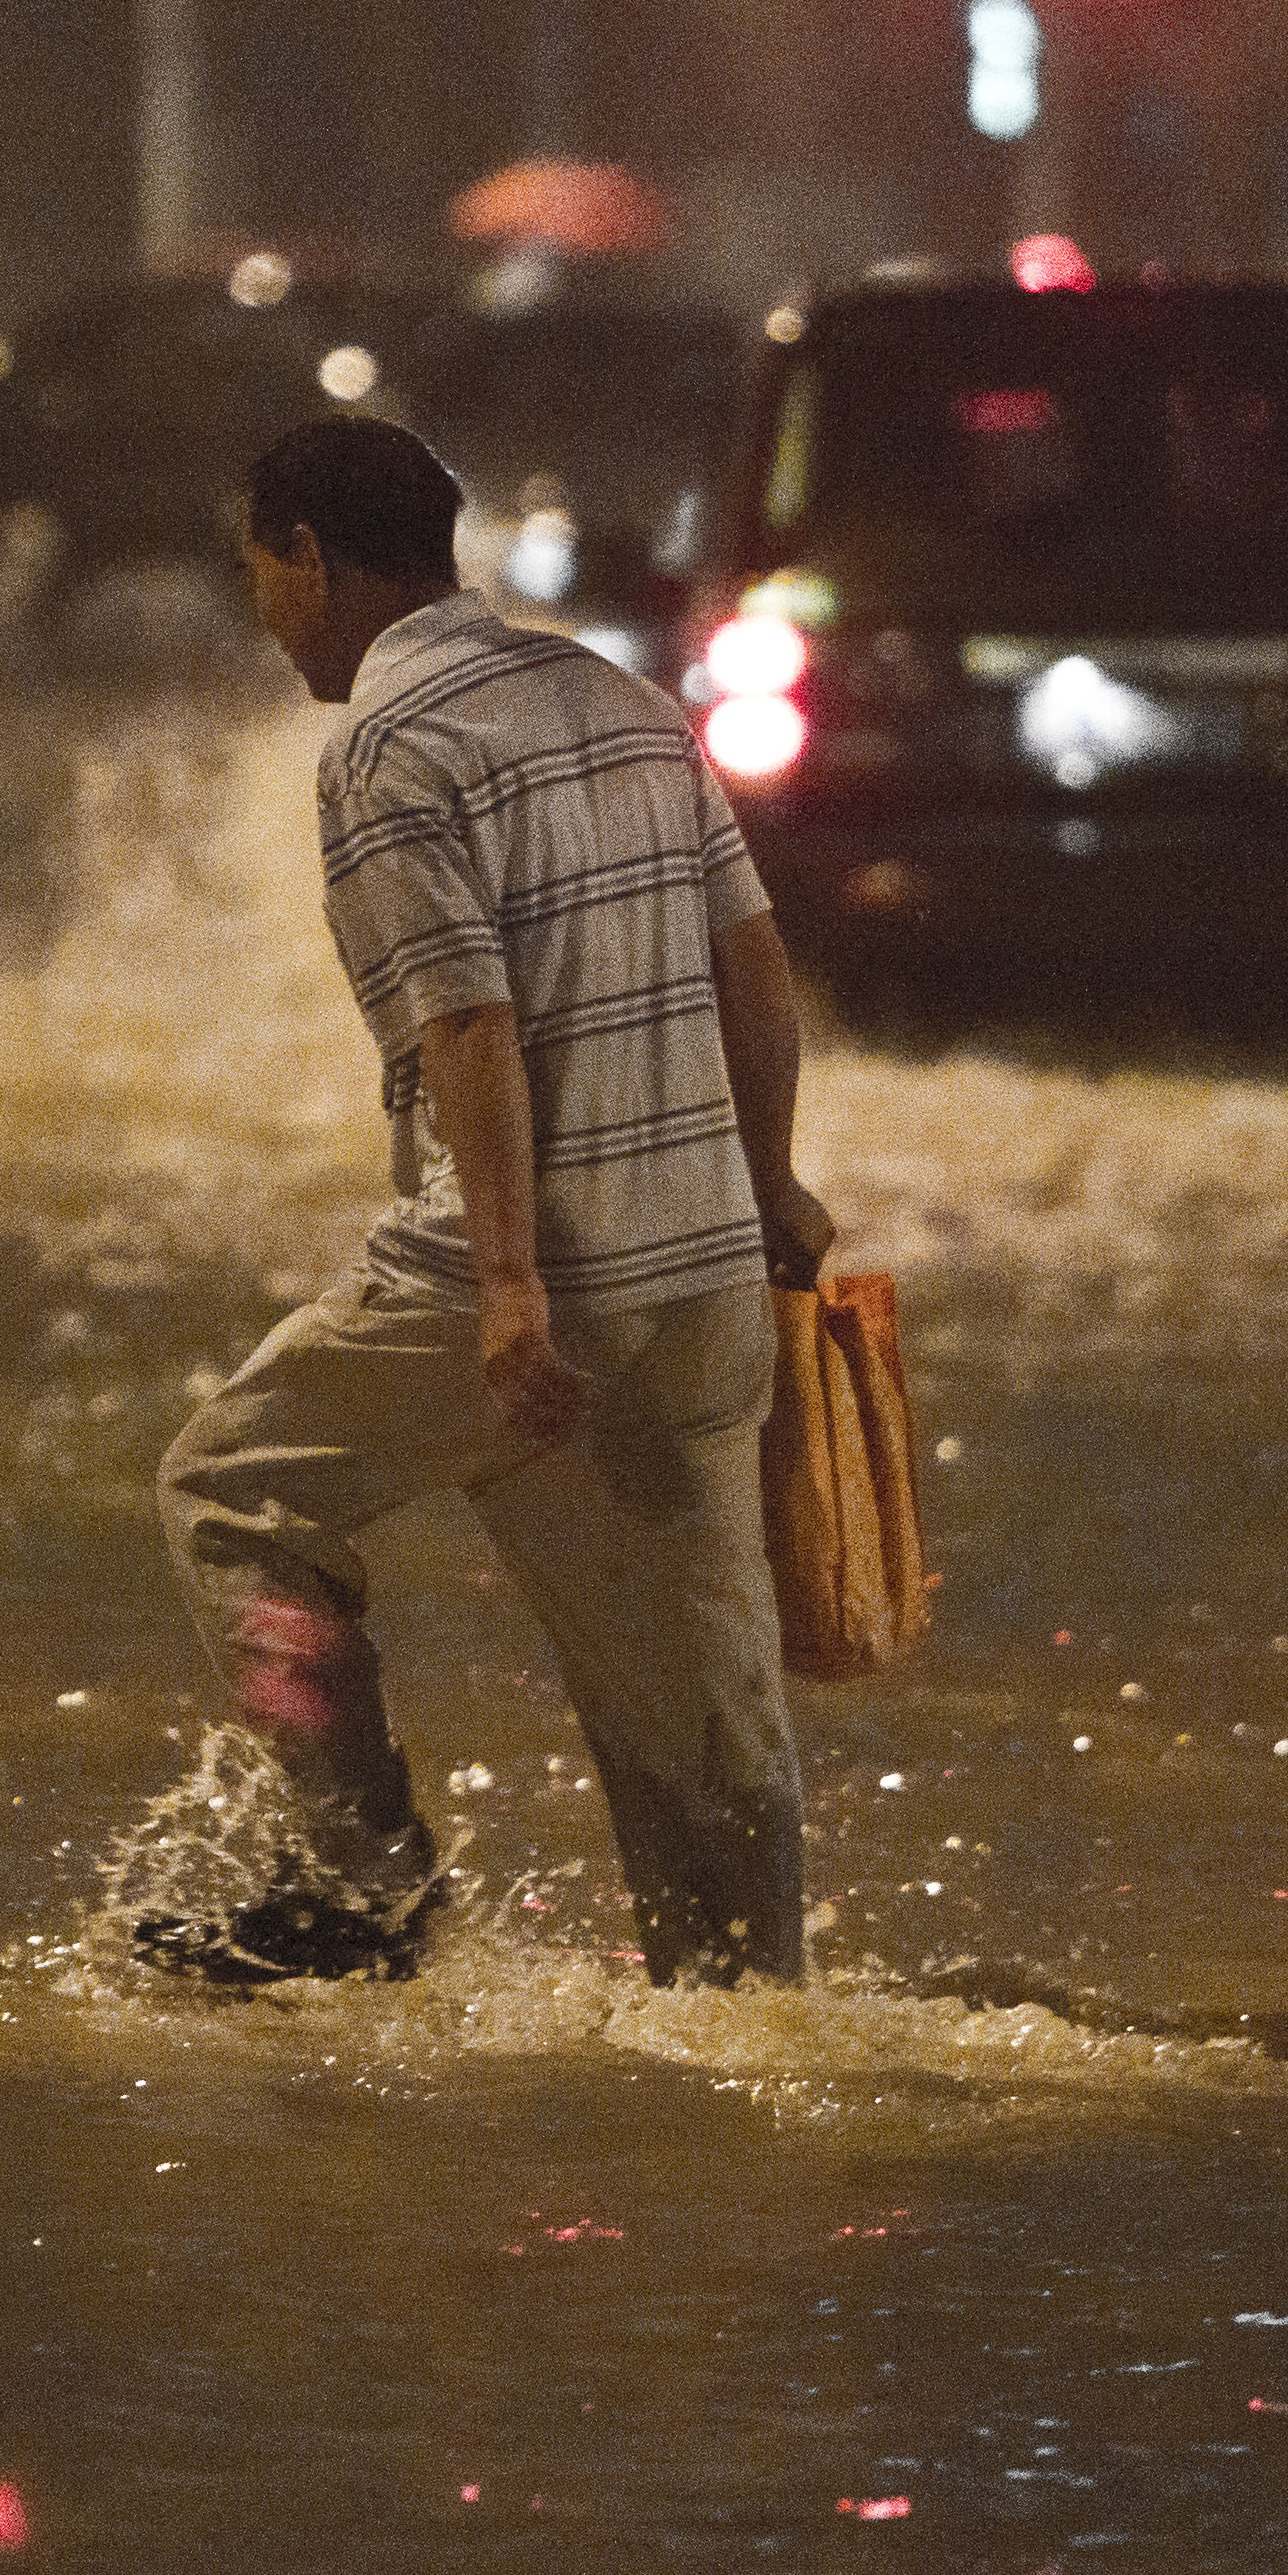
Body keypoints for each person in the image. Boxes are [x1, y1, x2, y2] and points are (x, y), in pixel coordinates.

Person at [141, 415, 837, 1990]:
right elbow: (753, 962)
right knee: (703, 1732)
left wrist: (512, 1279)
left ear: (310, 556)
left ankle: (360, 1885)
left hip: (524, 1280)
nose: (263, 605)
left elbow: (466, 1024)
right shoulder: (629, 703)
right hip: (706, 1271)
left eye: (260, 567)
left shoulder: (388, 750)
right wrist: (771, 1178)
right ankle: (750, 2046)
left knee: (235, 1491)